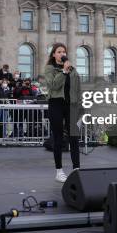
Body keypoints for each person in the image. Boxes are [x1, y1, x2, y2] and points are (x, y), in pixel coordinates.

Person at [44, 43, 82, 183]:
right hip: (56, 104)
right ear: (53, 54)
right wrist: (64, 72)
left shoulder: (72, 69)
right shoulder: (49, 69)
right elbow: (53, 85)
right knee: (58, 138)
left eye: (64, 51)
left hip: (71, 106)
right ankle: (59, 171)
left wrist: (80, 104)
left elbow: (78, 88)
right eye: (59, 51)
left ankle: (76, 169)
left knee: (74, 138)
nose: (62, 53)